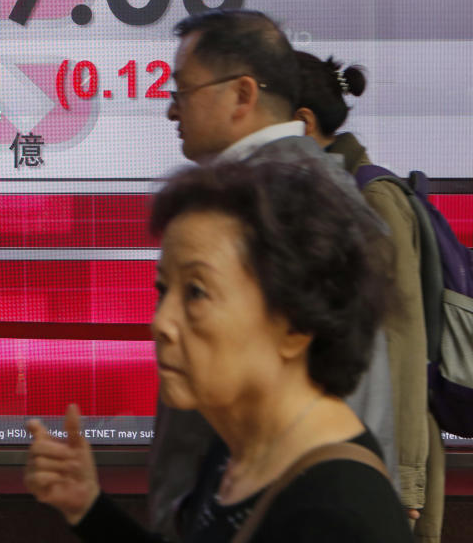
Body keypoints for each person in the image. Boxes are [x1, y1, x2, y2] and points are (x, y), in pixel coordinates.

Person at [24, 161, 413, 542]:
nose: (161, 322)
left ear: (296, 324)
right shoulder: (237, 449)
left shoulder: (338, 517)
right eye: (163, 290)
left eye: (196, 292)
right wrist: (89, 508)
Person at [146, 9, 398, 539]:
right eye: (164, 291)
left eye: (183, 91)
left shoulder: (286, 205)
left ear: (242, 94)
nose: (171, 110)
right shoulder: (302, 193)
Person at [294, 51, 444, 542]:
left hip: (380, 463)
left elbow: (402, 346)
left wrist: (406, 482)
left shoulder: (371, 200)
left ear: (302, 123)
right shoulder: (313, 198)